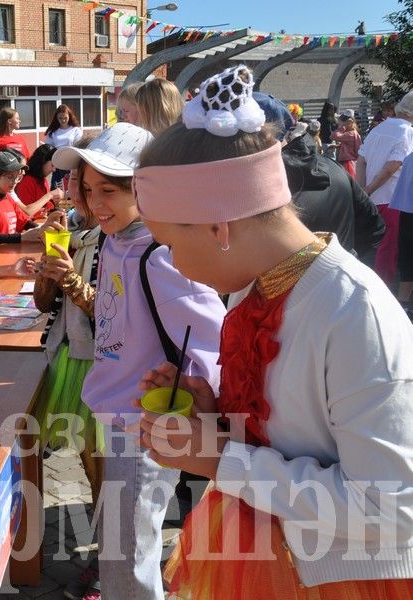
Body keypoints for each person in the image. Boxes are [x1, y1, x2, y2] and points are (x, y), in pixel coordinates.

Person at [135, 64, 413, 599]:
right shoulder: (255, 287)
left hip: (340, 578)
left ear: (219, 227)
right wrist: (216, 417)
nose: (173, 263)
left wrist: (219, 458)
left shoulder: (355, 314)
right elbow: (294, 433)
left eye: (169, 244)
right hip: (269, 556)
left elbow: (391, 507)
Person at [75, 123, 227, 600]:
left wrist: (188, 394)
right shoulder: (113, 241)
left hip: (147, 422)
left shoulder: (161, 256)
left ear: (145, 189)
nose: (96, 203)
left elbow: (211, 335)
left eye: (109, 191)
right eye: (87, 190)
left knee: (128, 551)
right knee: (122, 543)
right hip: (116, 413)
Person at [29, 134, 105, 600]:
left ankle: (104, 562)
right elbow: (43, 303)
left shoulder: (128, 240)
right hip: (69, 358)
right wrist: (49, 268)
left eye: (86, 181)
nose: (75, 187)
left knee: (104, 474)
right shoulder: (78, 232)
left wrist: (73, 280)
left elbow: (118, 319)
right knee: (87, 467)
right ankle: (100, 554)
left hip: (101, 367)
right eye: (74, 179)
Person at [281, 124, 384, 266]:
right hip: (345, 269)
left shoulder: (272, 190)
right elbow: (374, 225)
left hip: (301, 280)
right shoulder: (333, 167)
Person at [356, 90, 413, 286]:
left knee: (377, 247)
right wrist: (369, 189)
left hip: (374, 199)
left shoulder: (378, 128)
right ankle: (385, 290)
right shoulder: (408, 132)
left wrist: (363, 189)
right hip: (394, 200)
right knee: (390, 250)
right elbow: (393, 166)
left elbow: (361, 160)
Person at [0, 150, 62, 261]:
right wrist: (22, 237)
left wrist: (40, 228)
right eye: (9, 177)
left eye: (17, 177)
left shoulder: (8, 198)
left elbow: (25, 222)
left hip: (6, 255)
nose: (14, 182)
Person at [390, 150, 413, 311]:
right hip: (408, 212)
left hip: (407, 212)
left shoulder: (410, 158)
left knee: (406, 258)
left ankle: (403, 303)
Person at [15, 143, 63, 219]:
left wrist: (55, 203)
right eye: (52, 165)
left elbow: (46, 206)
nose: (54, 170)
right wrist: (50, 195)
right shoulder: (27, 181)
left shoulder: (42, 179)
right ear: (42, 162)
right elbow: (26, 213)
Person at [44, 104, 83, 189]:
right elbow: (48, 147)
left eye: (65, 118)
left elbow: (78, 147)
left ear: (69, 116)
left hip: (71, 164)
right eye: (60, 118)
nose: (63, 120)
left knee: (71, 190)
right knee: (56, 190)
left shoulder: (75, 130)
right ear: (56, 118)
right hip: (57, 165)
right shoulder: (53, 131)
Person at [331, 109, 362, 177]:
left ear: (349, 122)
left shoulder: (350, 134)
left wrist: (341, 127)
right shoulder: (353, 133)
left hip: (347, 162)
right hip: (350, 161)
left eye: (343, 122)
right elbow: (350, 145)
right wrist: (338, 146)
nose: (341, 124)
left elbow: (333, 136)